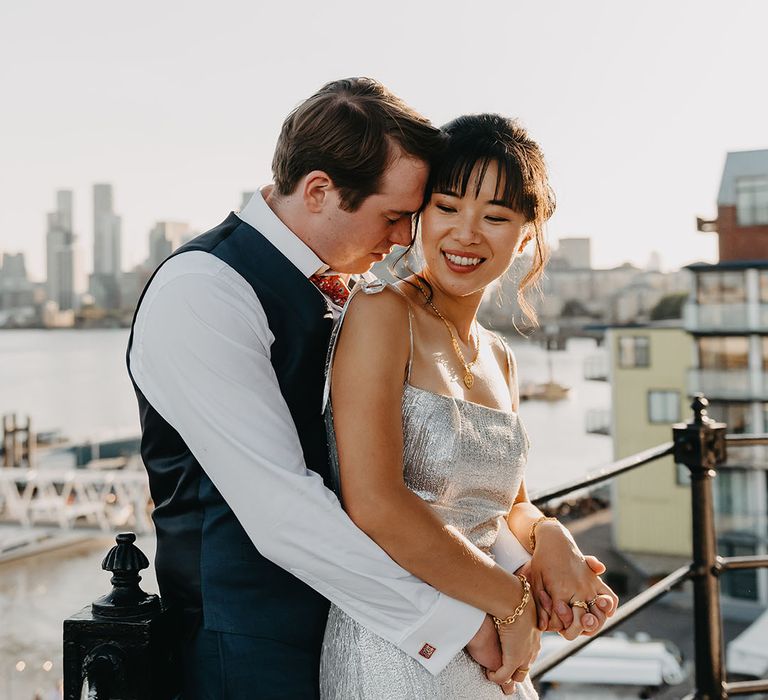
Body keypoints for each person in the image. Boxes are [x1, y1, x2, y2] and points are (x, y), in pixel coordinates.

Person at [127, 78, 614, 699]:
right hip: (249, 647)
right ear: (320, 191)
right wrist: (489, 611)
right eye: (396, 215)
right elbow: (286, 511)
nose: (406, 238)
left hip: (373, 623)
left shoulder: (348, 295)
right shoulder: (203, 289)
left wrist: (546, 541)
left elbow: (472, 503)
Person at [319, 113, 617, 698]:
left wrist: (552, 538)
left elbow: (511, 506)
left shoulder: (499, 355)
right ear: (419, 214)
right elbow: (375, 504)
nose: (465, 234)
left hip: (495, 648)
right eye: (448, 207)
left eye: (496, 217)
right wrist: (514, 605)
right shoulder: (382, 312)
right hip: (401, 643)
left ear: (527, 234)